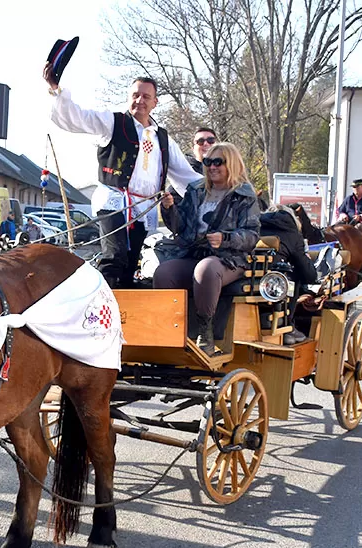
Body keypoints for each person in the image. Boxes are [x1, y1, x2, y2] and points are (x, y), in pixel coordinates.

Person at [44, 65, 201, 288]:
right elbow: (77, 118)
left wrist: (224, 189)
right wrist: (56, 89)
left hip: (143, 208)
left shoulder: (163, 138)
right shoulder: (113, 123)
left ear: (155, 103)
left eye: (146, 96)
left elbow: (187, 176)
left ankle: (124, 315)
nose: (140, 100)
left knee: (129, 264)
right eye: (135, 95)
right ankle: (99, 314)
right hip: (113, 202)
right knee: (114, 257)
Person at [153, 142, 261, 355]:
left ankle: (206, 334)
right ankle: (169, 330)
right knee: (164, 273)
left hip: (229, 259)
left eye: (218, 162)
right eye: (208, 162)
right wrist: (169, 208)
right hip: (193, 253)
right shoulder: (196, 190)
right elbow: (180, 227)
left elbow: (252, 235)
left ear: (231, 164)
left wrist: (226, 238)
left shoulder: (244, 195)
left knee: (205, 270)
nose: (212, 167)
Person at [259, 205, 319, 345]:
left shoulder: (256, 227)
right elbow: (309, 275)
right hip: (273, 290)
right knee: (295, 274)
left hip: (249, 283)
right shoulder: (292, 233)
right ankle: (288, 325)